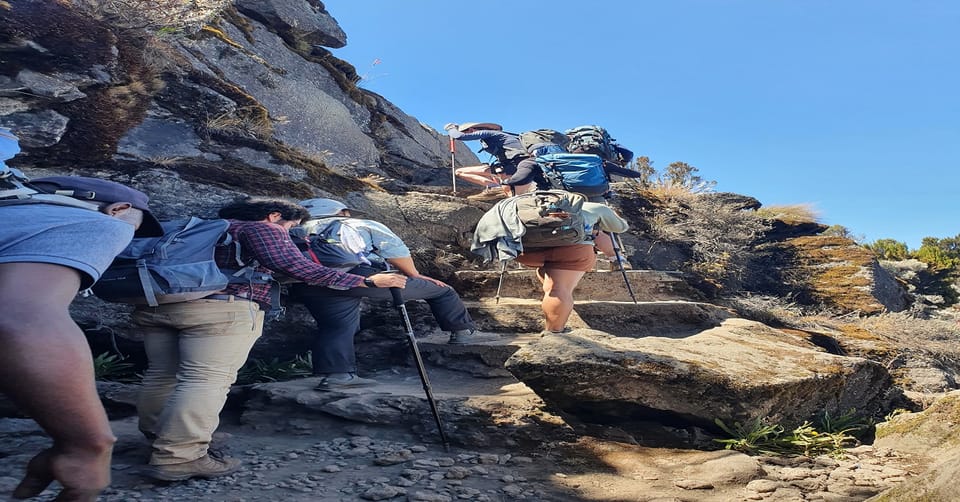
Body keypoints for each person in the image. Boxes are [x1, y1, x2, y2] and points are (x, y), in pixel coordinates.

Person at [134, 197, 406, 482]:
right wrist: (366, 281)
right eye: (292, 226)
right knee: (204, 380)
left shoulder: (200, 229)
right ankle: (179, 456)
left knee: (162, 375)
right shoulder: (260, 228)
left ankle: (160, 437)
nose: (291, 232)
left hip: (157, 305)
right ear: (274, 215)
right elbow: (295, 266)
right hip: (220, 308)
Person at [1, 128, 165, 501]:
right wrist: (87, 444)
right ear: (119, 209)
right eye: (136, 228)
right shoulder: (93, 222)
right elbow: (21, 317)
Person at [290, 198, 499, 390]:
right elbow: (396, 252)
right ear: (342, 212)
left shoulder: (292, 230)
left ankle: (338, 376)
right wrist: (415, 275)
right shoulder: (358, 224)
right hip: (365, 280)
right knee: (442, 290)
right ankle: (462, 333)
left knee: (336, 326)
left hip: (311, 282)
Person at [472, 194, 629, 334]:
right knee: (559, 288)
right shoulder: (592, 206)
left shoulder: (522, 204)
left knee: (551, 278)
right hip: (571, 250)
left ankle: (552, 295)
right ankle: (554, 332)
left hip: (524, 252)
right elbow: (621, 227)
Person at [445, 122, 533, 201]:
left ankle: (495, 187)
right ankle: (495, 186)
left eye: (465, 132)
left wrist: (451, 129)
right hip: (518, 163)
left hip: (512, 164)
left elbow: (460, 136)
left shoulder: (489, 133)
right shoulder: (501, 136)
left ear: (471, 130)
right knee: (512, 194)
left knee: (459, 171)